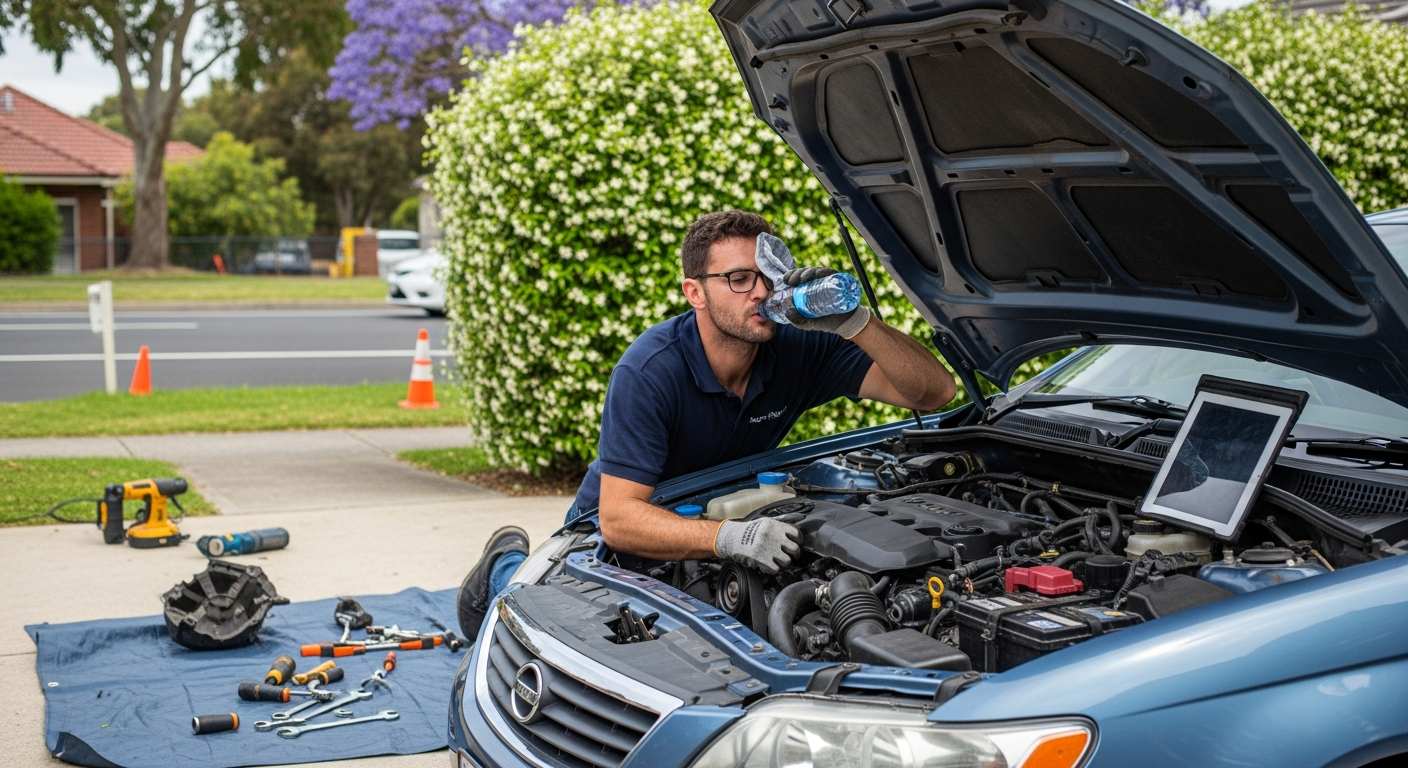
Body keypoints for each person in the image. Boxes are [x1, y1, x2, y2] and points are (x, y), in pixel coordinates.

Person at [457, 211, 956, 638]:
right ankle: (503, 563)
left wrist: (854, 323)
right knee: (540, 621)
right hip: (609, 539)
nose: (760, 293)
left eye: (768, 277)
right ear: (695, 292)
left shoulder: (800, 345)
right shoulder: (650, 371)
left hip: (718, 518)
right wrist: (729, 538)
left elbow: (935, 392)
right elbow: (618, 519)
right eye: (739, 279)